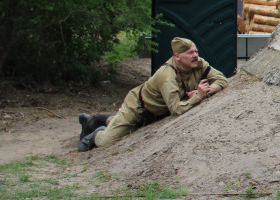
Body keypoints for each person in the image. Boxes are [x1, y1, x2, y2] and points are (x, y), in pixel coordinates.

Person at [77, 37, 228, 152]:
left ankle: (103, 120)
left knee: (124, 126)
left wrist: (207, 92)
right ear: (177, 57)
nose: (195, 56)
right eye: (190, 53)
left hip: (156, 112)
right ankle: (94, 129)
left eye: (196, 52)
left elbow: (221, 79)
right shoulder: (167, 76)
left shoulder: (198, 64)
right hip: (137, 108)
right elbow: (176, 109)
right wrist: (198, 97)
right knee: (107, 142)